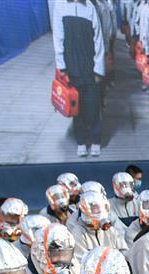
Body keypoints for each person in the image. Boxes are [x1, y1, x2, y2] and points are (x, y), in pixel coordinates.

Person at [52, 0, 106, 158]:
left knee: (93, 106)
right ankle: (81, 141)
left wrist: (98, 69)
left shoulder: (90, 8)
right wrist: (62, 67)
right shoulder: (60, 6)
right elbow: (58, 38)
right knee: (77, 107)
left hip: (90, 69)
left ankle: (96, 140)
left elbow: (98, 40)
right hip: (72, 69)